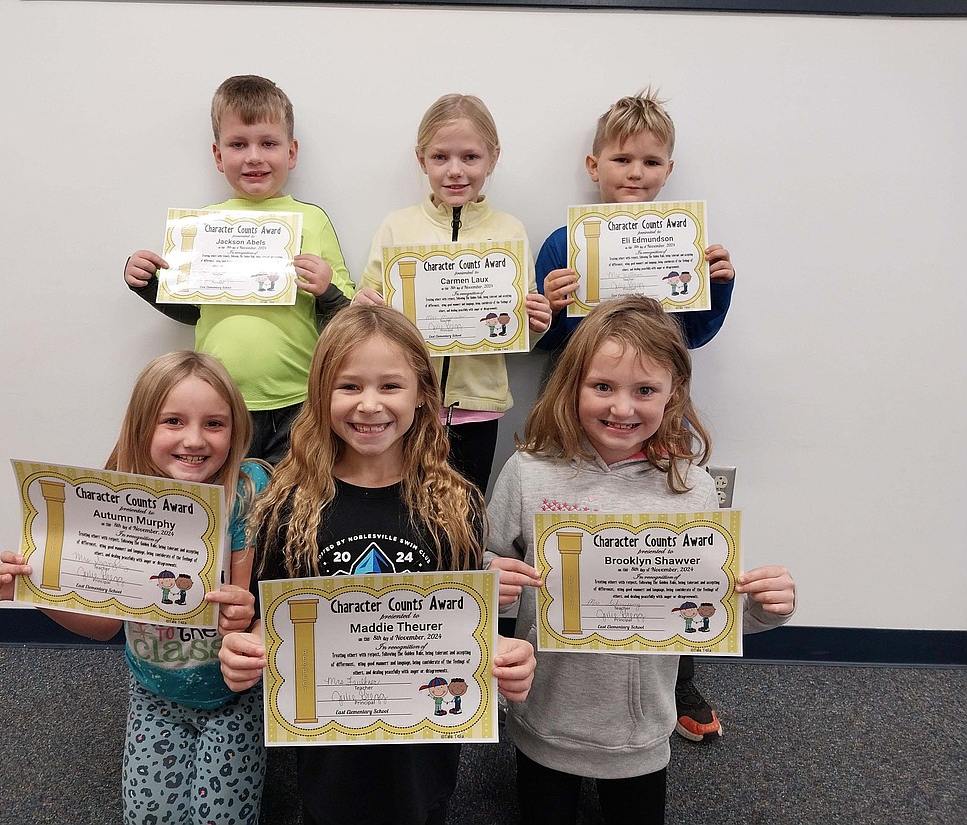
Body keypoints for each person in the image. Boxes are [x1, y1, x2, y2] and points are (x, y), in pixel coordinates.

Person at [217, 305, 537, 825]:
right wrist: (249, 649)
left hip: (424, 748)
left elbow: (461, 625)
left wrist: (501, 655)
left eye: (390, 386)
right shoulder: (286, 504)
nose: (369, 405)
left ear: (422, 396)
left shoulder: (455, 505)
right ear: (320, 395)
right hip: (328, 750)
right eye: (349, 387)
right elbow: (267, 617)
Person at [485, 296, 795, 825]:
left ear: (673, 394)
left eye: (645, 390)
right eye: (603, 386)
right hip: (544, 714)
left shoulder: (692, 488)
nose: (622, 408)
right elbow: (483, 564)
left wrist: (766, 609)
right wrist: (489, 577)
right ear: (572, 385)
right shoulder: (528, 471)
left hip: (641, 726)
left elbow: (705, 611)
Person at [0, 351, 269, 825]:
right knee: (149, 817)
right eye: (173, 421)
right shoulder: (115, 499)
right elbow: (100, 629)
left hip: (233, 697)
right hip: (153, 691)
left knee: (219, 818)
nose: (194, 440)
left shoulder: (246, 489)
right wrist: (35, 594)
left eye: (215, 424)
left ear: (237, 430)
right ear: (142, 429)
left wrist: (242, 614)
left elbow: (244, 613)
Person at [535, 88, 735, 741]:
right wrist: (552, 301)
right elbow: (541, 339)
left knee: (669, 541)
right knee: (573, 530)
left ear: (668, 172)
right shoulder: (566, 240)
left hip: (659, 418)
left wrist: (720, 286)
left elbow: (696, 334)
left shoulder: (684, 240)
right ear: (594, 166)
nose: (635, 173)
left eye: (651, 162)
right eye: (622, 159)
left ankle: (677, 675)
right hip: (578, 416)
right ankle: (555, 663)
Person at [123, 74, 355, 465]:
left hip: (299, 398)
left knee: (290, 504)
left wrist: (327, 292)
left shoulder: (312, 220)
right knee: (231, 503)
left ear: (291, 152)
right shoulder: (203, 226)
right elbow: (192, 311)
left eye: (268, 143)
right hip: (220, 401)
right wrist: (148, 284)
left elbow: (348, 322)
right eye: (238, 144)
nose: (253, 157)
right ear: (218, 155)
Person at [353, 93, 551, 494]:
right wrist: (362, 308)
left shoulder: (510, 231)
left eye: (470, 157)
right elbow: (368, 313)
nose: (455, 171)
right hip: (405, 404)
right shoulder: (396, 227)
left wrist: (537, 323)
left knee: (466, 508)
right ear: (421, 158)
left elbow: (521, 331)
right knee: (403, 505)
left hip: (479, 406)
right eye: (441, 157)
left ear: (493, 158)